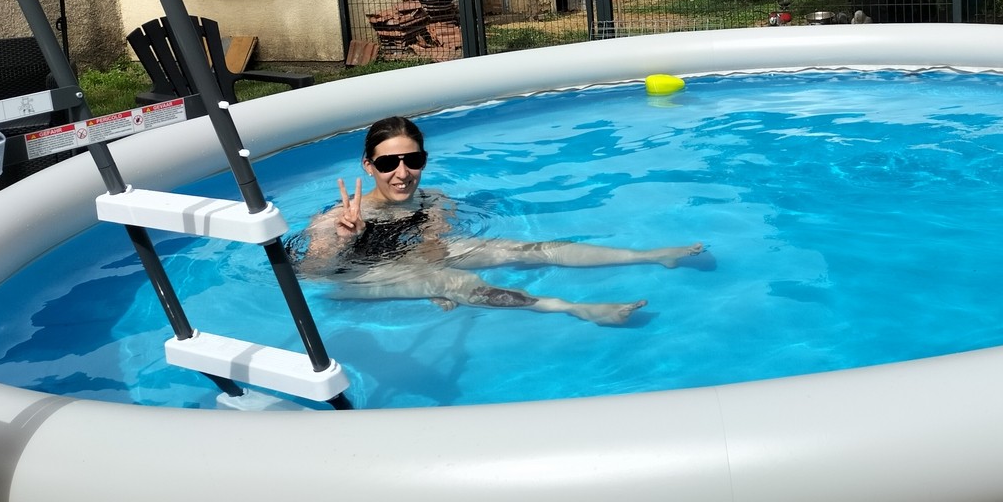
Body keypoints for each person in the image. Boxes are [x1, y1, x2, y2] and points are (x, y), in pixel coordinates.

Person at [293, 116, 705, 325]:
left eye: (412, 159)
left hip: (412, 261)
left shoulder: (432, 199)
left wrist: (429, 263)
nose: (402, 172)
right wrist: (345, 239)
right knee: (456, 282)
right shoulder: (339, 217)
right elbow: (313, 273)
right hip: (358, 276)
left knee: (522, 249)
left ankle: (647, 256)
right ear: (368, 166)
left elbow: (434, 247)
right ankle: (573, 309)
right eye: (388, 162)